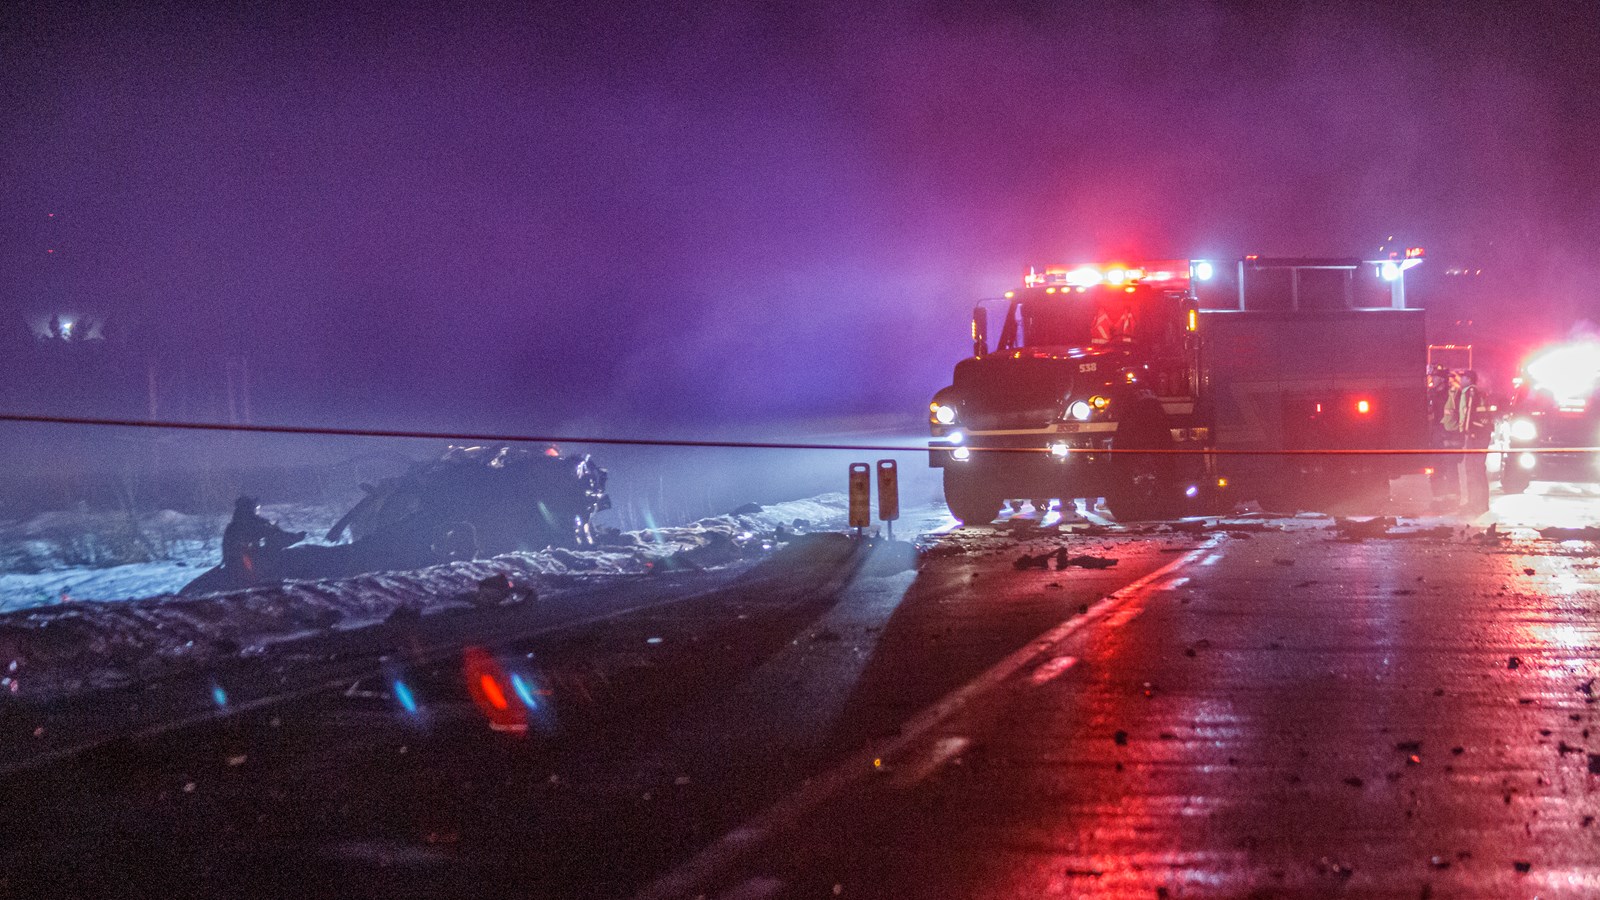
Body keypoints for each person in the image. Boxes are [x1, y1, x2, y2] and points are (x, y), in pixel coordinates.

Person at [221, 496, 306, 575]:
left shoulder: (232, 527)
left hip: (235, 568)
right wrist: (297, 537)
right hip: (251, 569)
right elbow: (278, 537)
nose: (257, 510)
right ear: (249, 509)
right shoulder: (253, 524)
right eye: (256, 508)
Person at [1456, 370, 1492, 515]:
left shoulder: (1470, 392)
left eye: (1462, 378)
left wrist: (1466, 431)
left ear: (1468, 379)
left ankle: (1476, 504)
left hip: (1476, 435)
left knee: (1473, 469)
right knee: (1476, 470)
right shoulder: (1479, 392)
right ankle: (1479, 503)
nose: (1460, 380)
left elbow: (1469, 412)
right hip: (1480, 434)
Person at [1426, 366, 1459, 508]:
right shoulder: (1430, 393)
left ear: (1441, 379)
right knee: (1435, 466)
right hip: (1435, 434)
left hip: (1448, 433)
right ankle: (1438, 498)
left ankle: (1453, 498)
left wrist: (1451, 436)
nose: (1432, 379)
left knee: (1450, 466)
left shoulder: (1450, 394)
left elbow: (1454, 415)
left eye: (1434, 376)